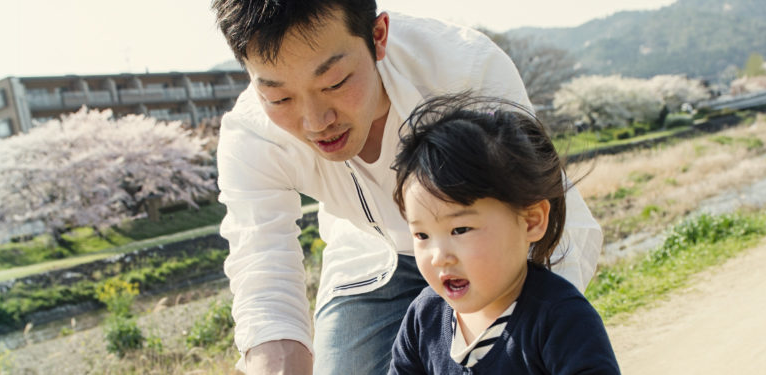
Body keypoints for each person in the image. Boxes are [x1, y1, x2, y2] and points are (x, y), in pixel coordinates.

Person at [210, 1, 604, 373]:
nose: (316, 121)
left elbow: (529, 201)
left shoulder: (463, 68)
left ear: (378, 36)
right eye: (279, 97)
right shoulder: (251, 138)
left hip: (490, 241)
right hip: (370, 252)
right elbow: (263, 273)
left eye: (335, 83)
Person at [387, 95, 620, 374]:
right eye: (422, 235)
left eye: (460, 229)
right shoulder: (424, 318)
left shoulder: (560, 319)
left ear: (531, 221)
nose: (439, 257)